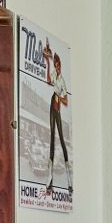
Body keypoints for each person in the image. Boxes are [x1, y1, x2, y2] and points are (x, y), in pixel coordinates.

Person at [46, 50, 70, 190]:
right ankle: (49, 179)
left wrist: (59, 98)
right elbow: (48, 81)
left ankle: (69, 180)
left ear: (60, 65)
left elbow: (66, 101)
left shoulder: (62, 81)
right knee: (52, 138)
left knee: (61, 138)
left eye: (58, 65)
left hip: (58, 104)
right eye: (55, 65)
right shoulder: (54, 74)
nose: (57, 67)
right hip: (52, 103)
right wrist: (47, 62)